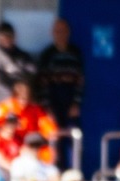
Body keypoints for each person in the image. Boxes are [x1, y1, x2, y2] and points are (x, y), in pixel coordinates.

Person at [37, 17, 84, 166]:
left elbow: (80, 80)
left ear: (68, 33)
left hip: (70, 97)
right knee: (53, 137)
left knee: (73, 136)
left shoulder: (75, 53)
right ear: (52, 33)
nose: (60, 34)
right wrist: (47, 108)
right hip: (53, 97)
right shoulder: (47, 54)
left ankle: (73, 171)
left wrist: (76, 103)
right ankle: (55, 171)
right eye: (57, 31)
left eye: (63, 31)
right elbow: (42, 83)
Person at [0, 79, 57, 159]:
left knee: (48, 155)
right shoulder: (6, 107)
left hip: (29, 145)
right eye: (20, 99)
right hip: (10, 147)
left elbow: (47, 125)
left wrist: (50, 132)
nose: (23, 102)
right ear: (15, 97)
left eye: (25, 99)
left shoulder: (34, 109)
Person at [0, 20, 37, 104]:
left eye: (9, 36)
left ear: (14, 37)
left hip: (22, 103)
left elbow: (32, 70)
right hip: (3, 103)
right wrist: (16, 86)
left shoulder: (22, 55)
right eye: (3, 36)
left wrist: (23, 85)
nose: (7, 39)